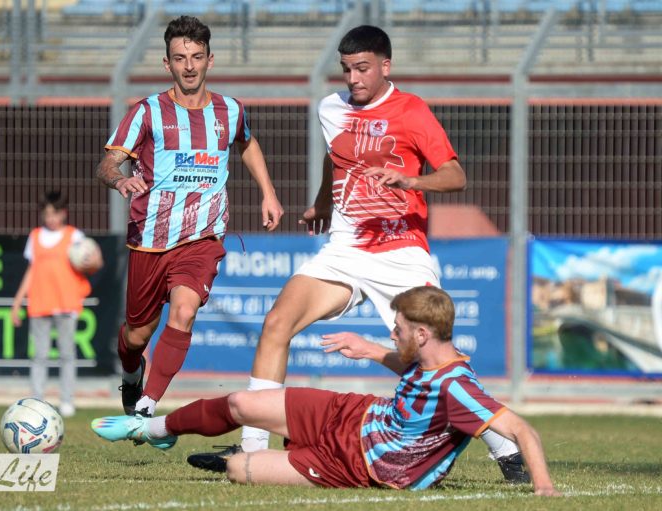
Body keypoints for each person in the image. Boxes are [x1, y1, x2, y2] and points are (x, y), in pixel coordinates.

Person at [186, 25, 527, 482]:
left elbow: (455, 175)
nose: (353, 78)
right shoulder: (331, 108)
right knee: (277, 322)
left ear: (386, 66)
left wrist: (411, 181)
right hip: (345, 249)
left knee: (432, 358)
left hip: (402, 251)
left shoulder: (411, 110)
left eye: (362, 68)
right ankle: (251, 444)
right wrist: (323, 203)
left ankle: (506, 449)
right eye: (347, 69)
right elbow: (336, 155)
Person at [91, 287, 561, 495]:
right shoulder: (431, 356)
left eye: (398, 329)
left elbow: (523, 430)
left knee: (238, 469)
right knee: (239, 403)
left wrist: (543, 487)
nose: (392, 332)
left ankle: (249, 457)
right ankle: (151, 429)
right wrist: (371, 350)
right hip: (354, 414)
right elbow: (411, 370)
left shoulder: (458, 386)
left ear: (422, 334)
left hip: (359, 464)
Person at [95, 16, 284, 422]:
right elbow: (107, 163)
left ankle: (146, 407)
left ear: (210, 60)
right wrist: (120, 180)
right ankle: (131, 372)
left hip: (203, 237)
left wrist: (268, 192)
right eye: (180, 58)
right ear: (167, 64)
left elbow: (247, 142)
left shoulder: (230, 110)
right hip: (150, 239)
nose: (189, 66)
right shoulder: (147, 111)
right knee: (137, 335)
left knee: (184, 311)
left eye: (197, 57)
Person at [11, 190, 103, 418]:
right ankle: (36, 400)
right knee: (39, 355)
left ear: (64, 213)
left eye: (55, 213)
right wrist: (17, 302)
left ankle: (67, 401)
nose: (51, 218)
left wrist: (94, 261)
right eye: (47, 214)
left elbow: (94, 263)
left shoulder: (74, 236)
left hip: (66, 303)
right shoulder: (35, 237)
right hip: (40, 302)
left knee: (66, 354)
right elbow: (31, 271)